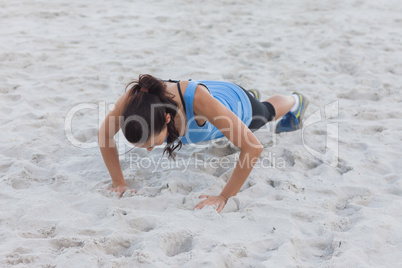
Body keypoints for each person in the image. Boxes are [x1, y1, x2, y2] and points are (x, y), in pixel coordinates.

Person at [98, 74, 308, 213]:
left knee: (266, 113)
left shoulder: (196, 100)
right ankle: (249, 97)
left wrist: (224, 196)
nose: (151, 149)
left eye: (152, 143)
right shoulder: (133, 101)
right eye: (145, 147)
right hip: (214, 104)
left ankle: (296, 101)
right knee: (228, 115)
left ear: (168, 119)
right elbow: (104, 135)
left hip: (235, 104)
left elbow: (253, 148)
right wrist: (119, 183)